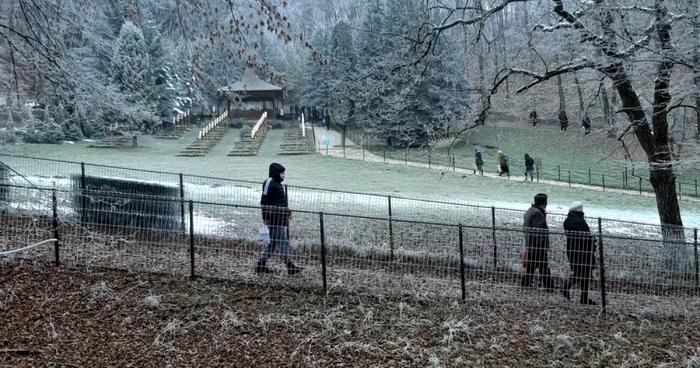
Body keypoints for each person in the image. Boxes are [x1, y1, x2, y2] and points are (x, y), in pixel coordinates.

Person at [255, 163, 303, 275]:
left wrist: (287, 212)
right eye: (281, 173)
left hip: (278, 217)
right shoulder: (270, 183)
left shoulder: (276, 184)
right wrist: (266, 217)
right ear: (276, 173)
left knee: (273, 243)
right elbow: (264, 201)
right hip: (274, 218)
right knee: (283, 242)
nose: (283, 175)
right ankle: (290, 266)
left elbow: (280, 202)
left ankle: (261, 264)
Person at [562, 201, 597, 305]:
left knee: (579, 272)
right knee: (585, 274)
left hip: (571, 250)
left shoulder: (567, 221)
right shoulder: (581, 222)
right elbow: (586, 236)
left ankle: (574, 290)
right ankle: (579, 294)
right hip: (583, 251)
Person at [521, 193, 554, 291]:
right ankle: (549, 286)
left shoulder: (530, 211)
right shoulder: (538, 213)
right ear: (544, 203)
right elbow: (538, 231)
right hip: (537, 246)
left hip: (530, 244)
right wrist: (542, 244)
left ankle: (526, 283)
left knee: (532, 266)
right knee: (543, 267)